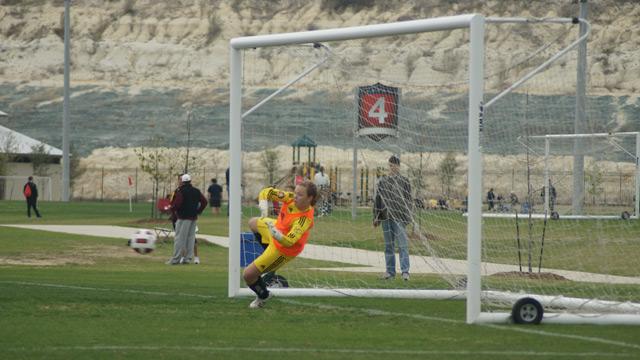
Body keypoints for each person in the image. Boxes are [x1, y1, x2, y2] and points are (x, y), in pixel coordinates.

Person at [244, 180, 318, 308]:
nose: (295, 196)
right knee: (253, 222)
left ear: (309, 198)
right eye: (295, 193)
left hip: (284, 249)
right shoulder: (290, 198)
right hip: (275, 229)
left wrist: (277, 234)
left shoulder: (304, 219)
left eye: (300, 195)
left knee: (248, 275)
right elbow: (267, 192)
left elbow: (289, 241)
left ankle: (264, 295)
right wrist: (263, 202)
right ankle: (269, 266)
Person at [373, 155, 412, 281]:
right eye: (390, 165)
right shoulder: (383, 181)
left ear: (398, 166)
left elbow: (408, 200)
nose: (391, 168)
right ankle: (390, 271)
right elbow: (377, 200)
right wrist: (376, 217)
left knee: (402, 245)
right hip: (385, 217)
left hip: (399, 217)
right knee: (389, 246)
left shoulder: (405, 181)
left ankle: (405, 271)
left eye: (394, 165)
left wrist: (407, 217)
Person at [166, 174, 207, 265]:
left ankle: (176, 259)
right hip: (193, 218)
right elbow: (204, 201)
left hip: (183, 218)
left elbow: (177, 204)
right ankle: (187, 258)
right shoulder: (196, 191)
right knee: (190, 238)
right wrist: (198, 211)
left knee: (179, 238)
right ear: (190, 181)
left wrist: (172, 209)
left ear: (183, 182)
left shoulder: (181, 191)